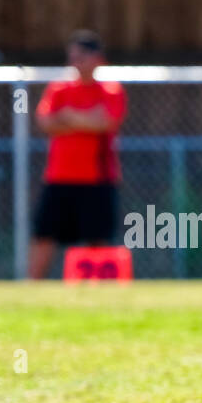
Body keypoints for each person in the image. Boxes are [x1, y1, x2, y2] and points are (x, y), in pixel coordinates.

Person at [30, 30, 127, 280]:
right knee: (44, 234)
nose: (76, 62)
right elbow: (46, 122)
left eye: (82, 56)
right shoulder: (58, 89)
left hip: (97, 178)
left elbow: (106, 122)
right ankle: (32, 289)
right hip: (59, 176)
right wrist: (85, 119)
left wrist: (69, 117)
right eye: (72, 57)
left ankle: (97, 292)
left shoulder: (110, 90)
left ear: (97, 59)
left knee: (97, 237)